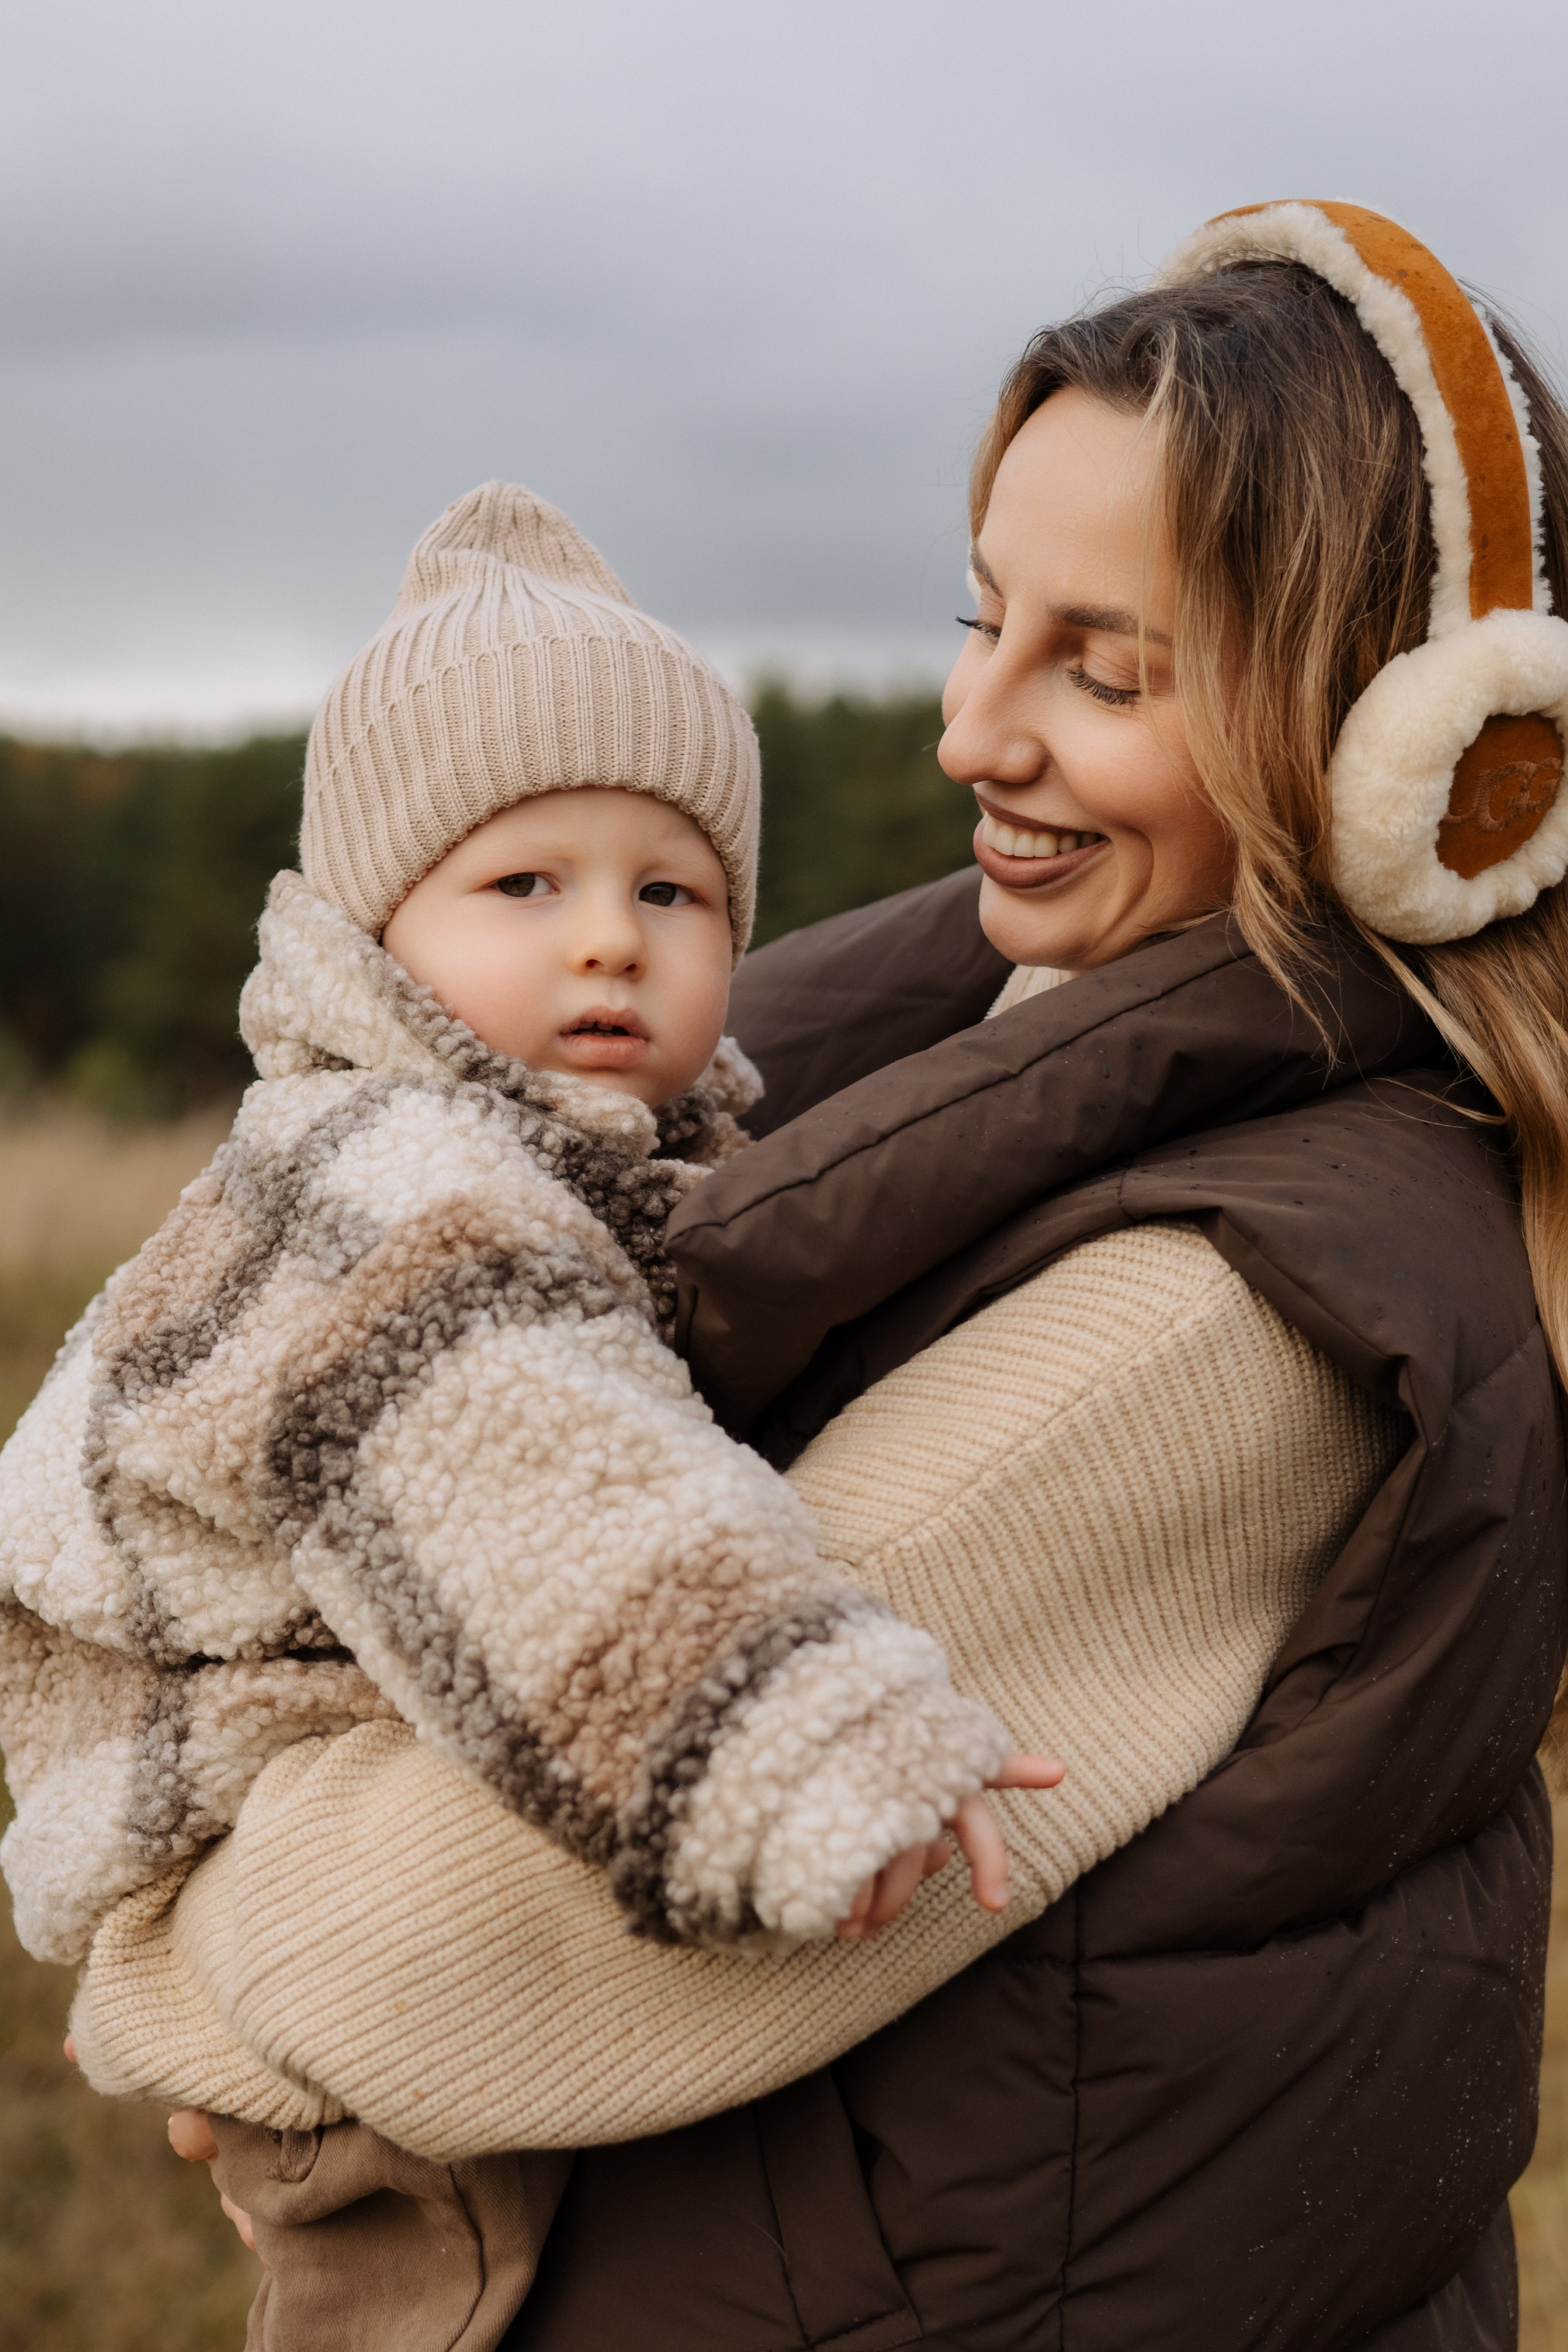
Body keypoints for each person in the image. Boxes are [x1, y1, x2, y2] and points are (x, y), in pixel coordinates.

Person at [52, 201, 1568, 2347]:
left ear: (1412, 754)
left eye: (1105, 670)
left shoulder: (1238, 1317)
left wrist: (175, 1962)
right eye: (981, 624)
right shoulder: (991, 1051)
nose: (975, 733)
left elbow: (469, 1949)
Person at [0, 483, 1059, 2345]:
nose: (608, 944)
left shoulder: (576, 1156)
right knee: (429, 2295)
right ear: (373, 930)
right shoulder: (391, 1180)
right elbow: (548, 1499)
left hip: (330, 1766)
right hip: (223, 1784)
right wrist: (806, 1738)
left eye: (673, 890)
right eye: (524, 885)